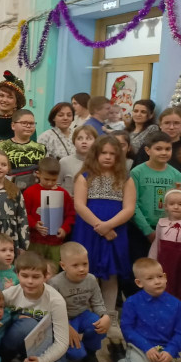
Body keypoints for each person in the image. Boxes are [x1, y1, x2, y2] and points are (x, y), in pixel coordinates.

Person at [72, 135, 136, 324]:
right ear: (95, 154)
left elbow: (129, 208)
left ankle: (109, 316)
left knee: (111, 274)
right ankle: (86, 316)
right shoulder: (84, 176)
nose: (108, 157)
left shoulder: (125, 179)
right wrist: (100, 226)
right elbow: (79, 205)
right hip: (88, 230)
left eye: (112, 154)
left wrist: (109, 226)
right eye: (104, 153)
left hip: (115, 232)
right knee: (86, 272)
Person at [107, 258, 181, 362]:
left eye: (160, 276)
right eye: (150, 278)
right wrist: (146, 347)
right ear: (139, 283)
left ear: (165, 277)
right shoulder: (132, 302)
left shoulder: (176, 304)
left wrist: (170, 351)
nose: (157, 281)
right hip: (139, 346)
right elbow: (127, 328)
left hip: (164, 347)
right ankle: (119, 357)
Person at [0, 251, 69, 362]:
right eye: (24, 276)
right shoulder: (9, 294)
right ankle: (4, 359)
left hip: (45, 344)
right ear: (17, 274)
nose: (30, 281)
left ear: (45, 276)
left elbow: (62, 342)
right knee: (27, 324)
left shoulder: (56, 301)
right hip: (16, 338)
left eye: (36, 277)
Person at [49, 242, 111, 362]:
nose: (82, 269)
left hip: (82, 315)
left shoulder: (91, 279)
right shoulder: (55, 283)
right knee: (77, 354)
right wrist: (65, 326)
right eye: (75, 265)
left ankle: (91, 352)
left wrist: (104, 315)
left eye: (85, 264)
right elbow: (51, 311)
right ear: (63, 266)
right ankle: (60, 349)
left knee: (98, 323)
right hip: (63, 319)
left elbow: (97, 303)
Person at [129, 131, 181, 263]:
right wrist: (148, 231)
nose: (164, 152)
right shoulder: (137, 173)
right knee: (143, 266)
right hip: (140, 231)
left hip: (169, 231)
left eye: (168, 149)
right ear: (147, 150)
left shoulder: (176, 175)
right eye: (158, 149)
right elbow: (132, 204)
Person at [23, 157, 75, 267]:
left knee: (53, 268)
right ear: (38, 174)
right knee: (34, 267)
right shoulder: (29, 192)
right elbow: (24, 214)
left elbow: (70, 215)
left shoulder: (63, 193)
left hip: (55, 242)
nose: (50, 183)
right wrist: (35, 224)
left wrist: (64, 228)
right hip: (35, 241)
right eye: (46, 179)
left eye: (54, 180)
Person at [0, 109, 47, 191]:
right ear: (13, 125)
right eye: (24, 123)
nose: (28, 126)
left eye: (32, 123)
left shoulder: (41, 149)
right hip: (8, 191)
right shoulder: (2, 147)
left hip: (33, 192)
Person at [59, 125, 97, 195]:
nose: (84, 142)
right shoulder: (64, 162)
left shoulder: (100, 163)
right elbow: (56, 187)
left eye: (88, 138)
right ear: (74, 141)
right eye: (79, 138)